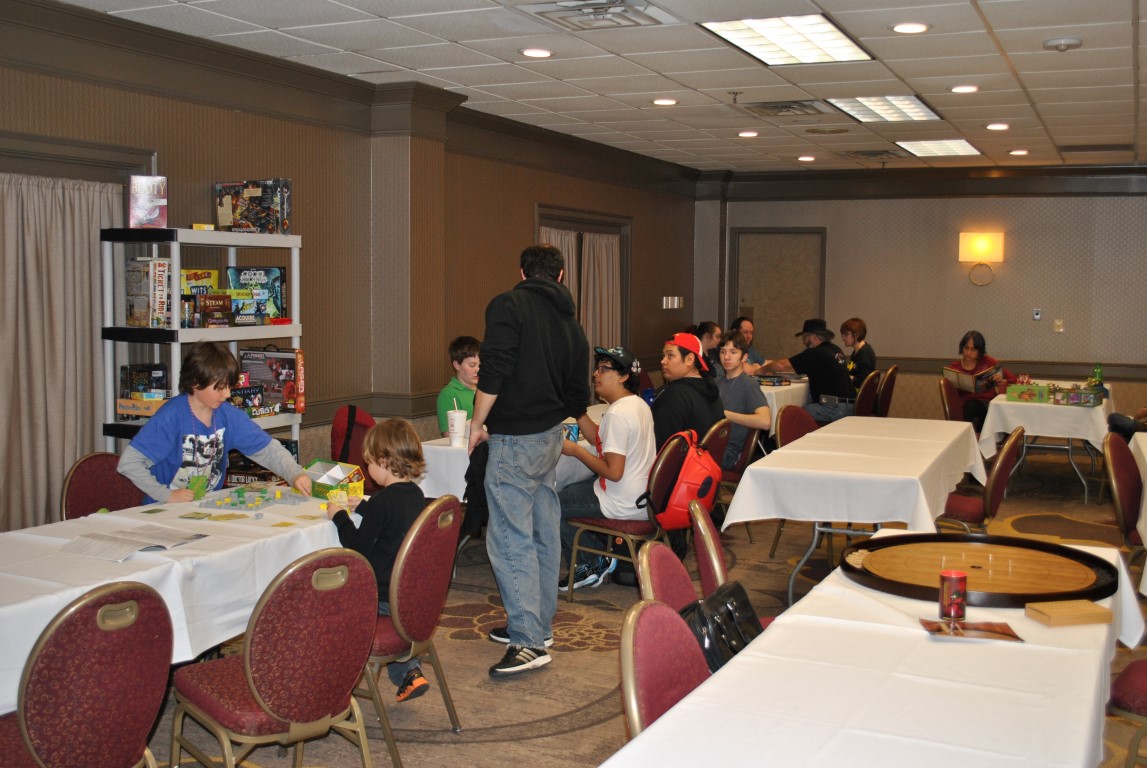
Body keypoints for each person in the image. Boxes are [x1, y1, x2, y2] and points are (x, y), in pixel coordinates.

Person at [468, 244, 590, 677]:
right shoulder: (571, 322)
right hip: (551, 436)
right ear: (560, 276)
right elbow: (577, 392)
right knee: (542, 531)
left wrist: (477, 423)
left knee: (509, 538)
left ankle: (527, 640)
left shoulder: (509, 305)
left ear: (522, 272)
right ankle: (539, 625)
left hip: (516, 438)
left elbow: (494, 370)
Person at [118, 341, 311, 503]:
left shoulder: (227, 414)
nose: (227, 394)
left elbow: (268, 449)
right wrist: (166, 495)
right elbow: (128, 464)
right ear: (195, 382)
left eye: (229, 387)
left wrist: (294, 473)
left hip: (204, 506)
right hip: (164, 510)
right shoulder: (171, 416)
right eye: (219, 388)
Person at [325, 418, 430, 703]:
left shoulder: (383, 501)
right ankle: (410, 673)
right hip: (406, 592)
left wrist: (339, 516)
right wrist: (363, 507)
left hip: (380, 594)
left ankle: (333, 683)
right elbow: (391, 523)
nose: (367, 469)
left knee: (329, 602)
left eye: (369, 462)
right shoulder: (415, 495)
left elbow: (357, 546)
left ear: (383, 461)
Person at [554, 346, 656, 591]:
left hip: (620, 499)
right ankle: (597, 554)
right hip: (639, 496)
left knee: (549, 502)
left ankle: (591, 562)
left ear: (623, 376)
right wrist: (578, 411)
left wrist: (575, 450)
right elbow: (601, 439)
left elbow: (613, 472)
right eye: (596, 369)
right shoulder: (637, 404)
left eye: (603, 369)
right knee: (569, 490)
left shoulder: (618, 414)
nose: (595, 374)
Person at [758, 319, 856, 423]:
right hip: (851, 406)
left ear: (814, 336)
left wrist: (761, 370)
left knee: (790, 416)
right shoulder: (835, 349)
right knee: (805, 405)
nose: (803, 342)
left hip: (835, 409)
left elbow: (781, 365)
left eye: (805, 337)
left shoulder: (814, 353)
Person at [651, 331, 724, 449]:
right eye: (663, 355)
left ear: (690, 359)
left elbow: (658, 446)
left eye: (670, 355)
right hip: (708, 458)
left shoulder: (673, 395)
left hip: (683, 460)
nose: (663, 361)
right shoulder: (710, 387)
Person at [716, 331, 771, 470]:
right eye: (722, 352)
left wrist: (726, 415)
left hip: (728, 454)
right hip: (712, 445)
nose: (726, 357)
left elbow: (765, 422)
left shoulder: (748, 384)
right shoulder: (716, 383)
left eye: (733, 352)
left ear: (744, 357)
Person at [950, 330, 1015, 433]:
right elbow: (952, 395)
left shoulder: (988, 362)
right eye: (966, 348)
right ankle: (973, 439)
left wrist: (1001, 381)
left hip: (987, 404)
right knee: (970, 407)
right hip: (966, 406)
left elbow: (1012, 379)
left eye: (973, 349)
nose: (968, 353)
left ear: (979, 351)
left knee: (975, 408)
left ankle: (973, 439)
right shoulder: (955, 368)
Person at [436, 335, 480, 437]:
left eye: (480, 365)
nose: (478, 370)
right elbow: (449, 435)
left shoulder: (485, 390)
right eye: (472, 365)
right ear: (457, 365)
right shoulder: (448, 394)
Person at [840, 317, 876, 392]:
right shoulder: (857, 351)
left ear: (856, 334)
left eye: (846, 335)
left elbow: (864, 381)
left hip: (859, 396)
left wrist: (845, 377)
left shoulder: (865, 353)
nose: (843, 338)